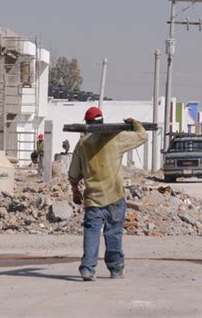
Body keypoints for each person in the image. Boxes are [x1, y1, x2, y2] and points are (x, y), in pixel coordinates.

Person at [68, 107, 147, 281]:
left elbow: (74, 172)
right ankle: (116, 269)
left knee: (91, 232)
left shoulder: (82, 144)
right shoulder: (115, 139)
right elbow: (142, 136)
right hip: (114, 196)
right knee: (113, 233)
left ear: (87, 123)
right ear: (102, 120)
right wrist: (135, 123)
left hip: (93, 198)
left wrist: (75, 189)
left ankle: (88, 269)